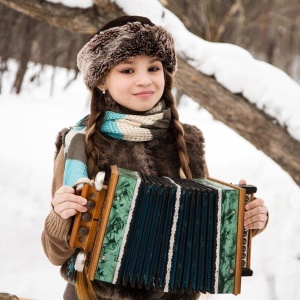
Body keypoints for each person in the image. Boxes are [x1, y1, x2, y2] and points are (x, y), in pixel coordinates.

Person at [41, 15, 269, 300]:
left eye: (154, 68)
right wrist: (61, 216)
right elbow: (54, 252)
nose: (145, 80)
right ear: (101, 80)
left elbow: (206, 224)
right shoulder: (81, 143)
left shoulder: (187, 140)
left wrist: (246, 220)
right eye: (127, 70)